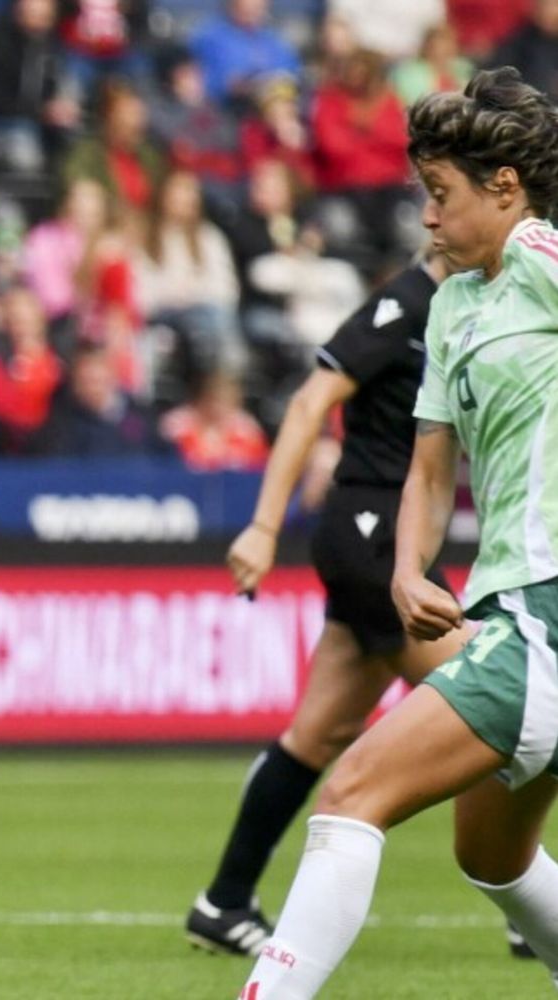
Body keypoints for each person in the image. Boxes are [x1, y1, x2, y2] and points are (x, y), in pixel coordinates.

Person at [237, 67, 558, 998]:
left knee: (350, 794)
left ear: (505, 188)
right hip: (511, 610)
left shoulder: (539, 254)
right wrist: (408, 572)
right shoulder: (454, 305)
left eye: (441, 194)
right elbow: (430, 464)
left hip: (546, 614)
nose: (425, 216)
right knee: (492, 853)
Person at [184, 252, 468, 956]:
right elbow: (312, 401)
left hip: (391, 538)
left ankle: (223, 902)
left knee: (315, 735)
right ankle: (530, 901)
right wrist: (264, 525)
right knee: (494, 704)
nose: (436, 218)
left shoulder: (469, 307)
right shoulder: (402, 306)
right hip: (372, 538)